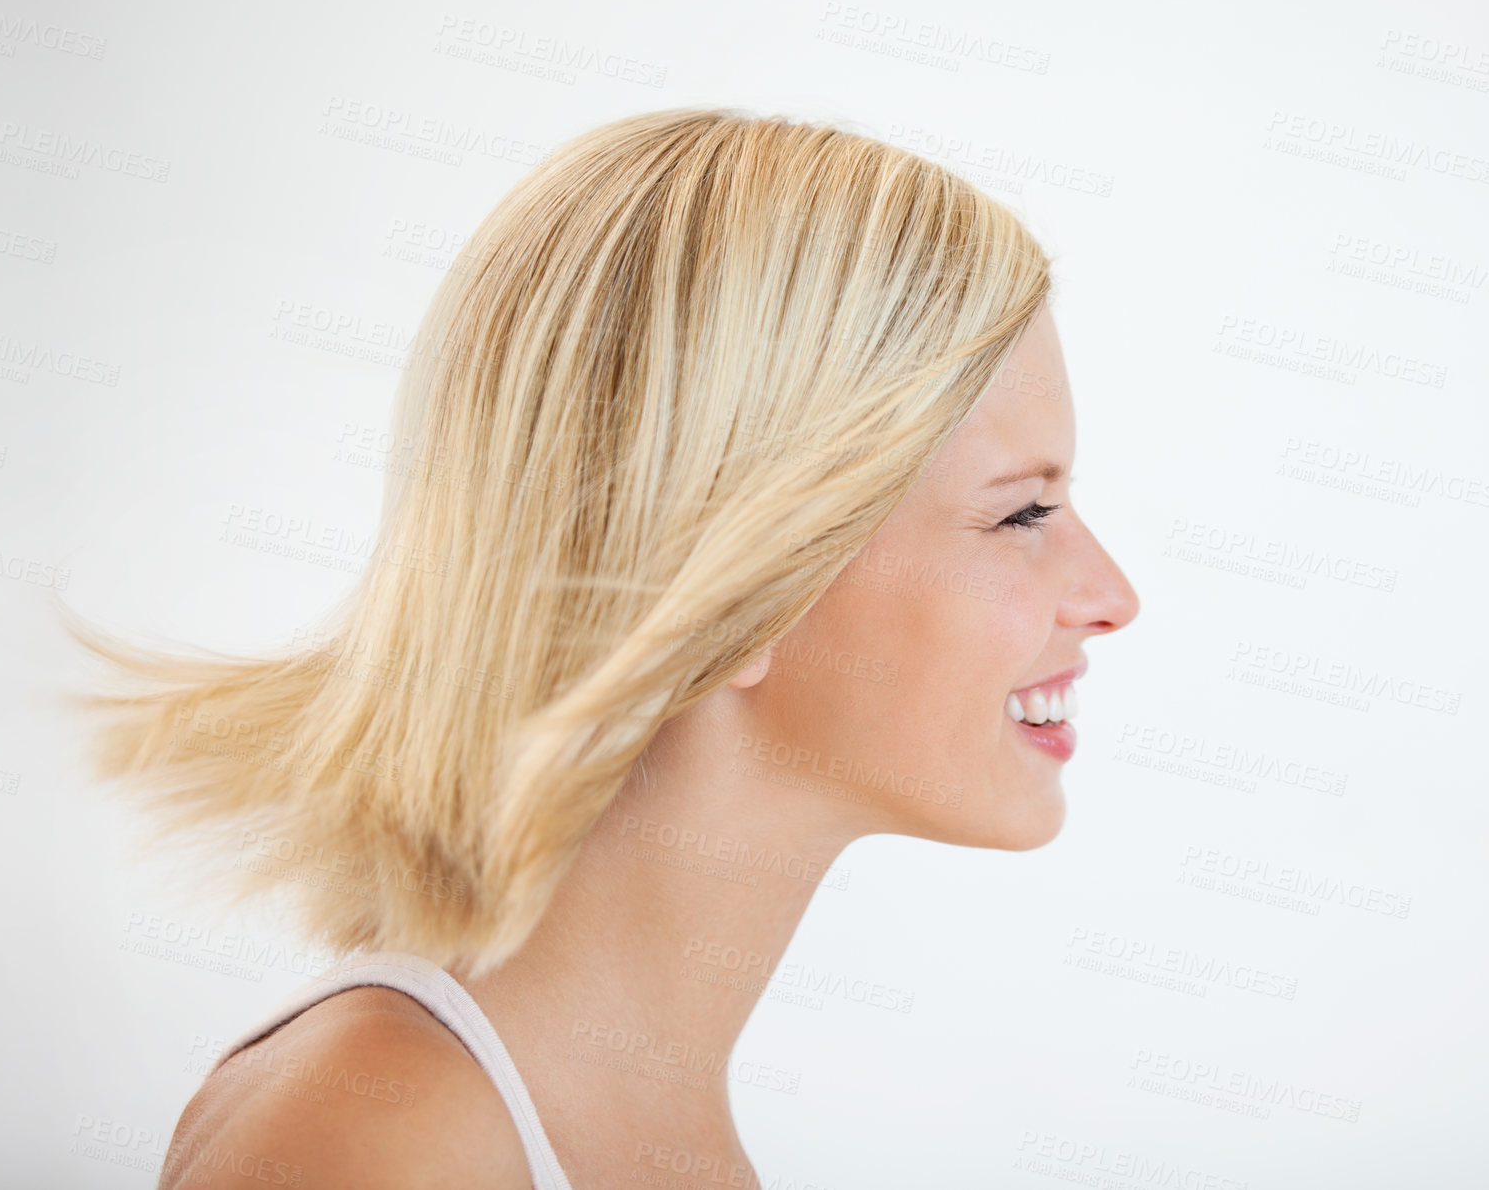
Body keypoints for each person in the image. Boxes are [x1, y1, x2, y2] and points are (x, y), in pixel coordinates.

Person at [64, 107, 1139, 1188]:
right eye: (1020, 514)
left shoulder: (646, 1130)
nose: (1111, 596)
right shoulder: (388, 1138)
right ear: (738, 579)